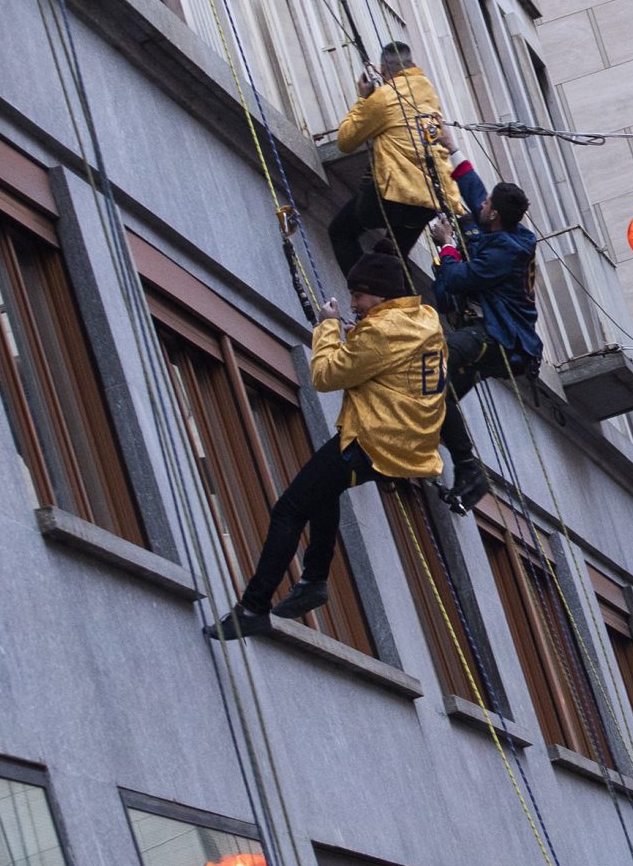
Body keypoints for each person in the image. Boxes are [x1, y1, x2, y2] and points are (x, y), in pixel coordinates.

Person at [208, 241, 445, 640]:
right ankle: (313, 579)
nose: (353, 303)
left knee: (289, 509)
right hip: (408, 440)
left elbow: (325, 377)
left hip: (376, 440)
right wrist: (359, 334)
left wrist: (328, 327)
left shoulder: (382, 331)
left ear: (382, 295)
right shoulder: (423, 319)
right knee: (323, 491)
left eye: (359, 295)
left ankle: (253, 606)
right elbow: (388, 355)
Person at [430, 160, 542, 513]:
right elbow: (477, 194)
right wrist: (453, 152)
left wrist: (447, 245)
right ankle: (465, 472)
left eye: (487, 205)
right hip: (490, 335)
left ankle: (468, 468)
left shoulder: (504, 252)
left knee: (433, 364)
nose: (481, 205)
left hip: (496, 337)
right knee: (434, 397)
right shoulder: (510, 234)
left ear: (493, 215)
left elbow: (458, 280)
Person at [330, 42, 457, 282]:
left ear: (383, 71)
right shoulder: (426, 88)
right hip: (429, 199)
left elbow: (345, 141)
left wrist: (364, 99)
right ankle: (398, 302)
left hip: (394, 195)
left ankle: (365, 290)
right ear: (413, 66)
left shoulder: (384, 98)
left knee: (340, 232)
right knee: (394, 255)